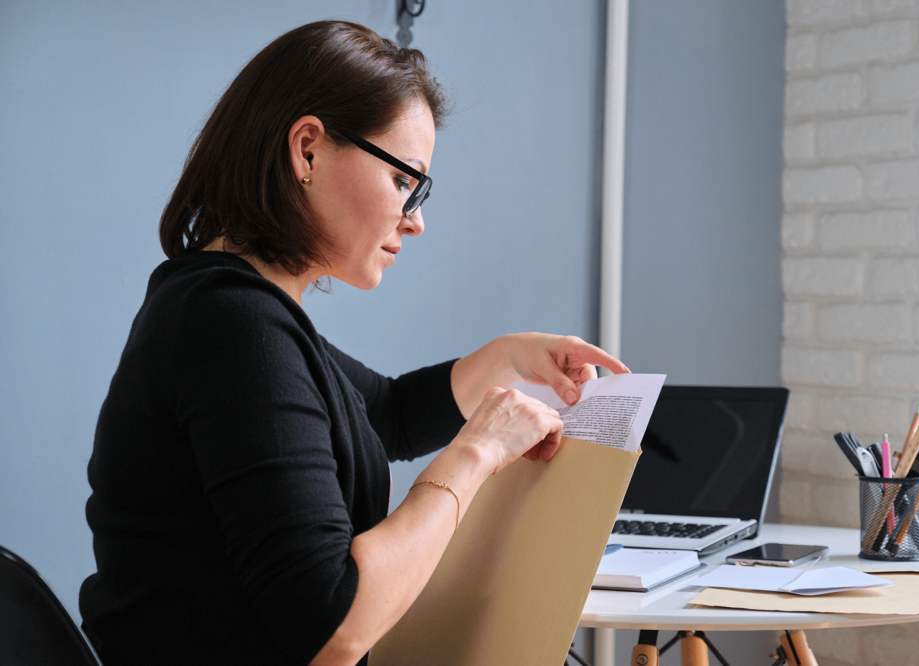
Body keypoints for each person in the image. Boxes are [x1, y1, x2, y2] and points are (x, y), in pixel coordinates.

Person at [79, 19, 628, 666]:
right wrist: (476, 454)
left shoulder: (230, 311)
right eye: (405, 182)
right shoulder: (234, 329)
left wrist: (508, 358)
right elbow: (331, 624)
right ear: (307, 150)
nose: (416, 221)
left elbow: (386, 413)